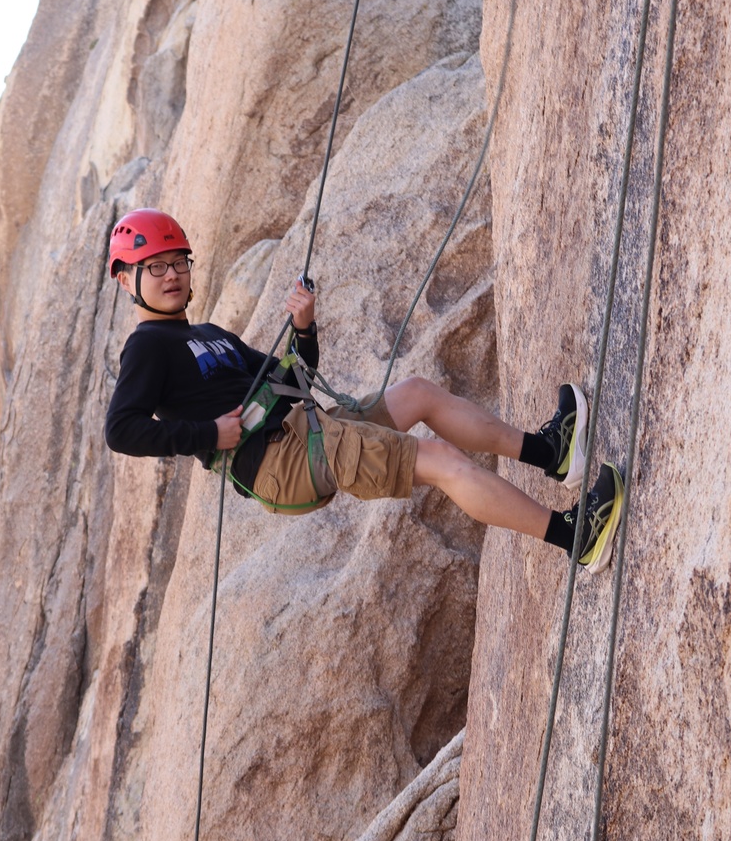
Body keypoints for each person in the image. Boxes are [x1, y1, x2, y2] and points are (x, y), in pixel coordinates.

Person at [104, 209, 624, 572]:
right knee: (441, 460)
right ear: (127, 280)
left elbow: (294, 374)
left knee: (418, 392)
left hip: (305, 431)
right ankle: (575, 537)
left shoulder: (208, 336)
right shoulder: (147, 347)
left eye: (178, 262)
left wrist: (304, 326)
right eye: (154, 267)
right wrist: (207, 433)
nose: (171, 275)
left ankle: (550, 452)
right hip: (282, 462)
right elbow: (121, 430)